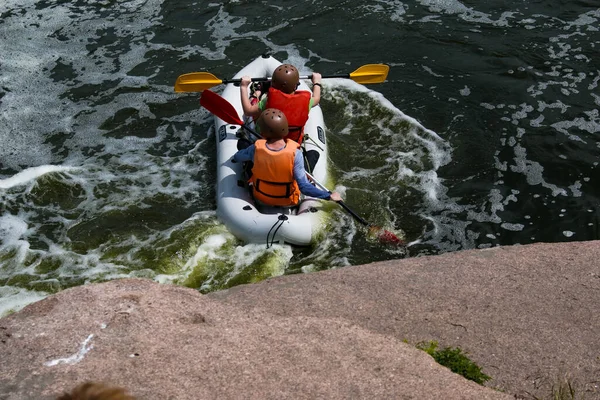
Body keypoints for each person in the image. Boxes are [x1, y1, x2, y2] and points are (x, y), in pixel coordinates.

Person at [232, 108, 341, 207]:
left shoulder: (255, 149)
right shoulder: (295, 154)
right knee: (313, 154)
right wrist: (328, 195)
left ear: (263, 131)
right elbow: (304, 187)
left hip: (260, 198)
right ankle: (308, 175)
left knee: (242, 143)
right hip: (288, 201)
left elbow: (237, 157)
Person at [239, 64, 322, 145]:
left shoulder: (268, 100)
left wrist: (243, 87)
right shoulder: (307, 101)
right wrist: (316, 82)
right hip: (292, 141)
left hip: (265, 137)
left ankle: (257, 92)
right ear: (295, 86)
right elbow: (316, 98)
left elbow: (248, 111)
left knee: (254, 102)